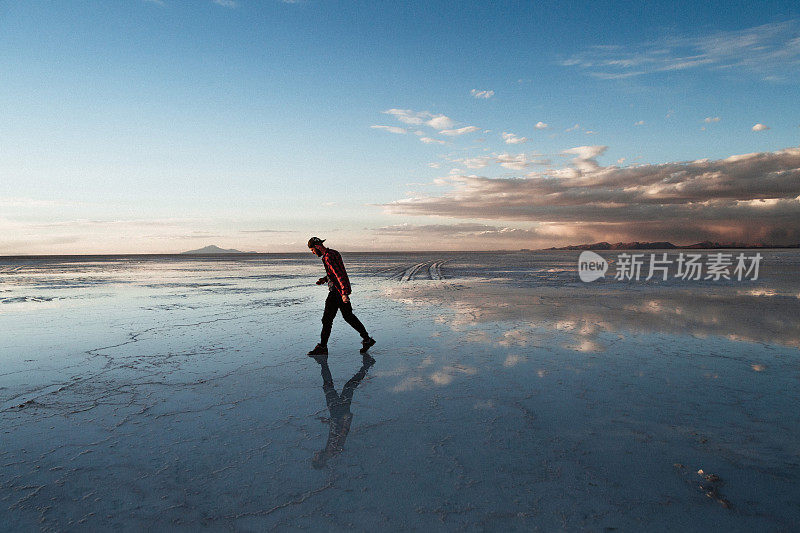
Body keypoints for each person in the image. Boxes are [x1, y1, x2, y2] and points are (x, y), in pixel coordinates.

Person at [307, 237, 375, 356]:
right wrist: (325, 279)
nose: (313, 253)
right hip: (340, 290)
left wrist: (344, 294)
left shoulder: (328, 257)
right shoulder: (333, 253)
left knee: (327, 320)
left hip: (336, 292)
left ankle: (322, 347)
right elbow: (336, 272)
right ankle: (367, 339)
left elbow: (339, 275)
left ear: (317, 247)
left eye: (312, 250)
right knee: (348, 317)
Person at [310, 354, 374, 469]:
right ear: (320, 460)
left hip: (336, 414)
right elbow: (342, 433)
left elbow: (336, 431)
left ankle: (324, 363)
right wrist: (346, 418)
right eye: (315, 457)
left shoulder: (330, 451)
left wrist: (328, 421)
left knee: (340, 387)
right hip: (339, 413)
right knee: (342, 387)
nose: (315, 454)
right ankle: (367, 364)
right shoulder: (331, 450)